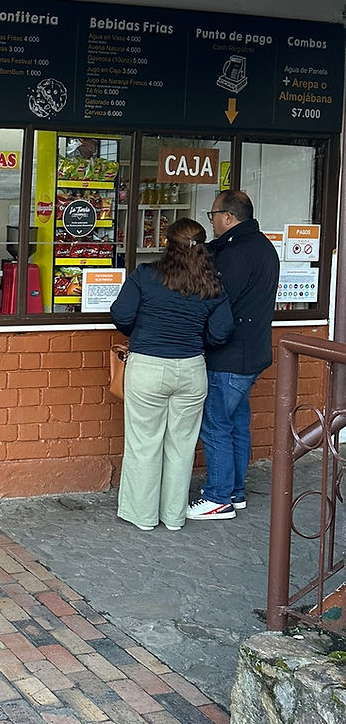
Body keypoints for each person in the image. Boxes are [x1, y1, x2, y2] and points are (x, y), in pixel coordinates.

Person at [111, 218, 233, 532]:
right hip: (192, 369)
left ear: (167, 244)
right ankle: (174, 517)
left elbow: (121, 314)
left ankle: (144, 516)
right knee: (182, 446)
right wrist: (194, 341)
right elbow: (221, 332)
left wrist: (143, 333)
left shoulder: (146, 275)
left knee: (144, 443)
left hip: (149, 366)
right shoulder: (212, 284)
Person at [187, 190, 280, 520]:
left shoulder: (236, 253)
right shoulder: (261, 246)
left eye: (212, 216)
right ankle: (235, 492)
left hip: (230, 356)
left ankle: (217, 497)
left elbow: (217, 303)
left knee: (215, 426)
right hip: (252, 353)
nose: (210, 221)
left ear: (228, 217)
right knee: (236, 424)